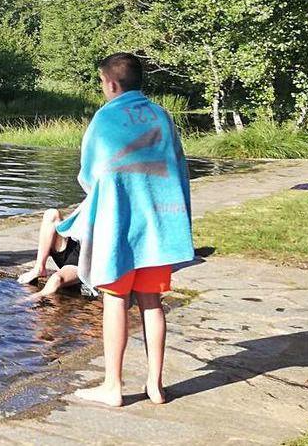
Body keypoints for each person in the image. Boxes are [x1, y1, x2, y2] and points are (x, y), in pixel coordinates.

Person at [57, 52, 194, 407]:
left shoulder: (105, 118)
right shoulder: (162, 116)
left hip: (119, 226)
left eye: (102, 83)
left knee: (115, 301)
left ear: (111, 83)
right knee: (153, 302)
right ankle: (155, 386)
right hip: (158, 227)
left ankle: (113, 386)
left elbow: (89, 175)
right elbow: (179, 168)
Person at [17, 208, 81, 299]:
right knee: (51, 214)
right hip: (74, 245)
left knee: (55, 280)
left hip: (81, 259)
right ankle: (39, 268)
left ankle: (24, 302)